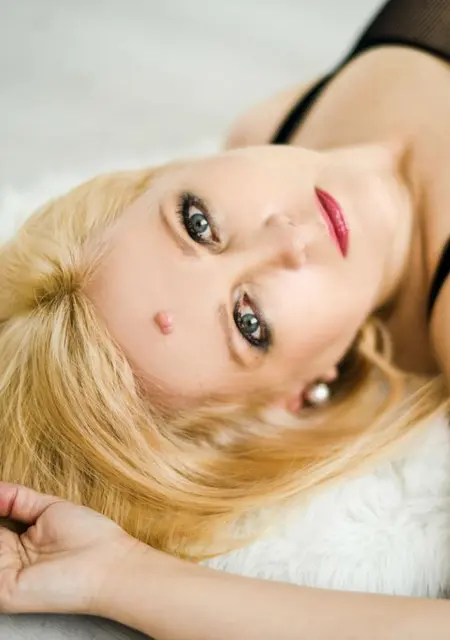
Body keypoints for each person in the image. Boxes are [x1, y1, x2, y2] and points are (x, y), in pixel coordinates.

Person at [1, 0, 450, 636]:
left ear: (160, 177)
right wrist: (117, 576)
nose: (286, 237)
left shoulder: (270, 125)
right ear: (299, 397)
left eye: (198, 223)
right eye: (250, 322)